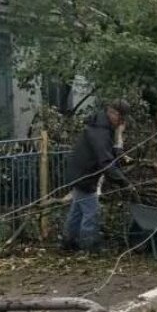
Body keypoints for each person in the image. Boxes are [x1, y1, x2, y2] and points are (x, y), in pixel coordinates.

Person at [62, 100, 133, 252]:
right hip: (84, 176)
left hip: (79, 173)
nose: (121, 123)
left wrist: (119, 137)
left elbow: (110, 154)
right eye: (121, 119)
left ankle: (68, 241)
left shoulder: (101, 127)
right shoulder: (100, 132)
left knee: (77, 210)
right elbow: (106, 162)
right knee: (92, 212)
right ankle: (89, 245)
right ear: (111, 112)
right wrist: (124, 182)